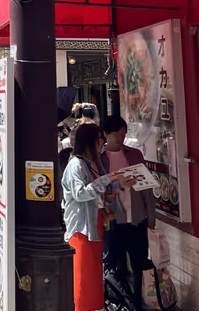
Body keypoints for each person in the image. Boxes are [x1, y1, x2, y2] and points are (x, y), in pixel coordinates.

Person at [62, 122, 129, 311]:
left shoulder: (90, 163)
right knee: (83, 277)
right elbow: (81, 193)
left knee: (93, 275)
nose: (102, 142)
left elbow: (100, 191)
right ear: (89, 141)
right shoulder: (76, 164)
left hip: (95, 223)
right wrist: (109, 178)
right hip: (81, 227)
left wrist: (121, 185)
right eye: (99, 138)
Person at [100, 115, 155, 307]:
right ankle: (118, 303)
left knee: (140, 263)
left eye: (124, 134)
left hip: (136, 218)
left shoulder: (134, 155)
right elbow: (98, 190)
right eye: (117, 135)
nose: (121, 139)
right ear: (106, 134)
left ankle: (139, 303)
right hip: (113, 221)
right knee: (112, 266)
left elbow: (146, 187)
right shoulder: (100, 160)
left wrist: (151, 217)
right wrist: (118, 185)